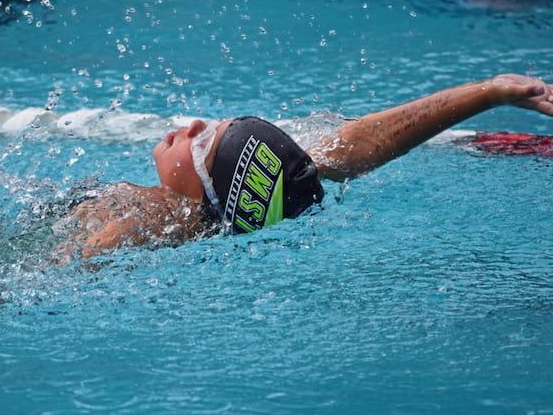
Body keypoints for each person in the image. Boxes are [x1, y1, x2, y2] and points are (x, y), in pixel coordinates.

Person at [53, 73, 552, 261]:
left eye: (203, 140)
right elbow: (354, 146)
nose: (193, 123)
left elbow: (54, 271)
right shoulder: (243, 204)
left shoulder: (149, 218)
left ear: (209, 189)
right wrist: (490, 93)